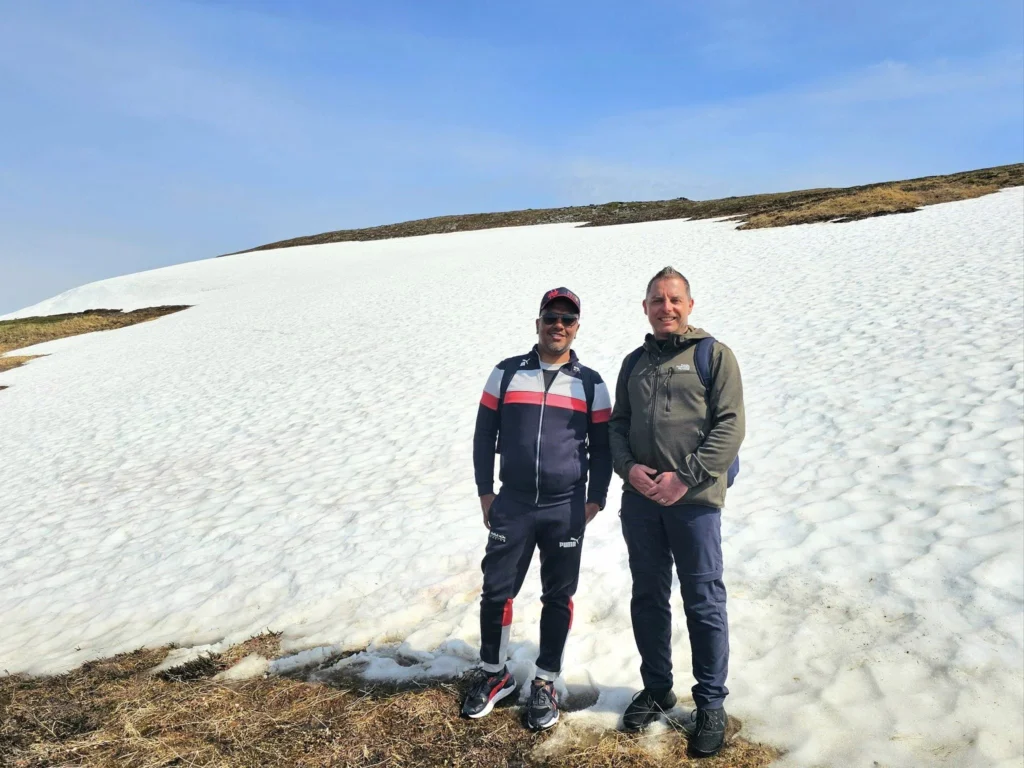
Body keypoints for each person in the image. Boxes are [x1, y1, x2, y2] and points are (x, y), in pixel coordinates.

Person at [608, 267, 745, 758]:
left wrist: (684, 475)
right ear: (644, 307)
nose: (666, 307)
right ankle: (658, 687)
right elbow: (617, 426)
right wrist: (629, 470)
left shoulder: (714, 356)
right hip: (642, 503)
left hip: (695, 505)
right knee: (648, 596)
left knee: (703, 599)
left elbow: (731, 428)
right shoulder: (633, 363)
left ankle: (710, 702)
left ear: (689, 305)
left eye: (674, 299)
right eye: (656, 299)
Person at [462, 287, 613, 731]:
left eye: (567, 319)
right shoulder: (507, 373)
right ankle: (495, 673)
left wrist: (596, 497)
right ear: (538, 323)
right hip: (513, 503)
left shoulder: (591, 383)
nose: (558, 325)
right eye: (551, 317)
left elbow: (603, 448)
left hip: (566, 506)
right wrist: (485, 491)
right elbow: (482, 434)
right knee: (496, 591)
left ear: (577, 327)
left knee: (558, 596)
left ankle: (546, 679)